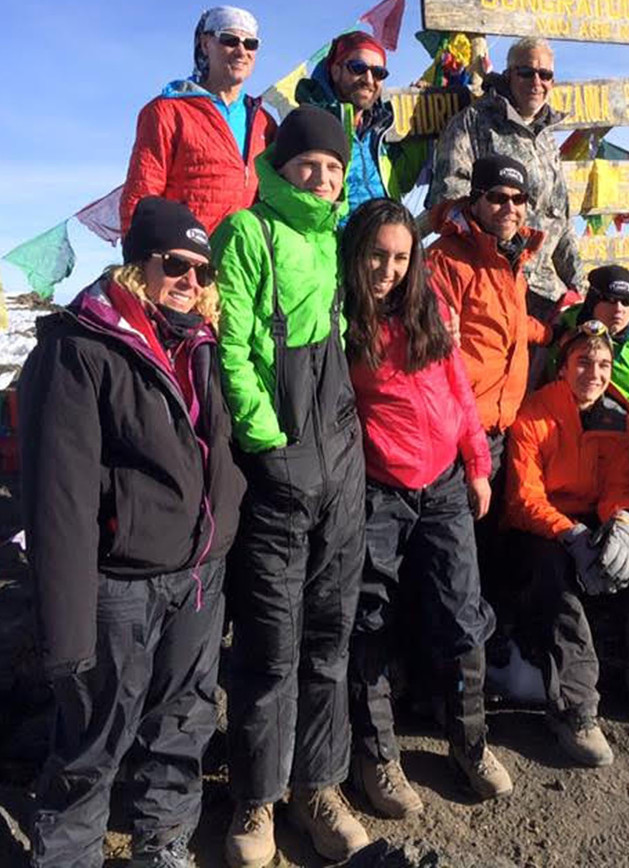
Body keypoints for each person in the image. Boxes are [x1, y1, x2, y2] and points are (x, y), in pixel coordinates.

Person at [20, 197, 245, 868]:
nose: (191, 283)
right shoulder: (80, 349)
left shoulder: (201, 344)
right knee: (95, 733)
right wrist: (65, 633)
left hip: (198, 575)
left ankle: (163, 840)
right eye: (175, 265)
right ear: (135, 265)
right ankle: (67, 854)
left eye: (203, 273)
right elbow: (57, 500)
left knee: (183, 720)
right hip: (119, 583)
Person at [212, 106, 368, 867]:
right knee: (270, 646)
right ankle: (256, 798)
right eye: (311, 163)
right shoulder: (250, 232)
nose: (324, 177)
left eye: (335, 168)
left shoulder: (335, 240)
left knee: (330, 636)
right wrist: (267, 443)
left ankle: (320, 785)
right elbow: (232, 351)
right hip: (279, 464)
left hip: (341, 460)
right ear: (283, 164)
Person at [341, 199, 512, 818]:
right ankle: (376, 756)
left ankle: (470, 742)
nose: (387, 269)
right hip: (378, 486)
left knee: (462, 610)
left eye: (400, 256)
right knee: (371, 618)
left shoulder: (427, 307)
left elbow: (458, 388)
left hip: (442, 481)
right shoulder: (343, 319)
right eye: (377, 256)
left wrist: (477, 463)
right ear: (356, 254)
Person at [505, 322, 629, 760]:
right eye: (584, 362)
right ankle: (575, 708)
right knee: (553, 567)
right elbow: (523, 499)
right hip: (542, 527)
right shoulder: (534, 414)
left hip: (594, 518)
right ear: (564, 367)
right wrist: (569, 533)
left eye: (605, 364)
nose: (595, 372)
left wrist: (625, 522)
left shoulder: (615, 414)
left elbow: (619, 482)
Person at [428, 37, 580, 319]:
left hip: (548, 296)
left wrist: (579, 288)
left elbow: (561, 219)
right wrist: (501, 267)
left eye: (545, 74)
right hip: (493, 289)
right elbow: (449, 203)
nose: (537, 81)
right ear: (509, 75)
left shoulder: (547, 135)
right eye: (526, 72)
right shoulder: (473, 123)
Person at [426, 154, 549, 477]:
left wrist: (552, 333)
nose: (510, 208)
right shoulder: (445, 259)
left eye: (519, 198)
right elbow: (434, 350)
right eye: (497, 197)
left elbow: (507, 322)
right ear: (475, 200)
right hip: (458, 436)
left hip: (501, 427)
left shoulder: (509, 259)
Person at [121, 7, 277, 236]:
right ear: (206, 44)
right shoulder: (168, 111)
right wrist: (138, 260)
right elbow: (142, 192)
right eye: (230, 40)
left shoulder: (265, 122)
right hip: (186, 261)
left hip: (244, 261)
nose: (241, 51)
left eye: (251, 43)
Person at [294, 31, 424, 219]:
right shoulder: (308, 125)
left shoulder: (381, 128)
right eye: (358, 68)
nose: (369, 80)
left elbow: (403, 181)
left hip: (383, 241)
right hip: (337, 244)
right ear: (335, 71)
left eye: (379, 73)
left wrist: (417, 119)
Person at [550, 264, 629, 413]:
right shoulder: (565, 335)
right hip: (588, 426)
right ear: (593, 301)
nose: (619, 309)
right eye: (610, 299)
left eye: (627, 301)